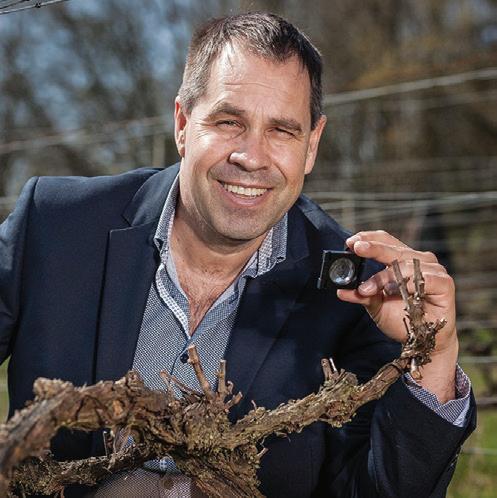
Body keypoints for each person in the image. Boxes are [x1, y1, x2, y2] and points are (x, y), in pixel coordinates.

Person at [0, 12, 475, 498]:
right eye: (230, 122)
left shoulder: (357, 295)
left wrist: (434, 357)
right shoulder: (56, 226)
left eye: (282, 131)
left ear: (312, 145)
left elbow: (374, 491)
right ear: (183, 124)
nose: (251, 157)